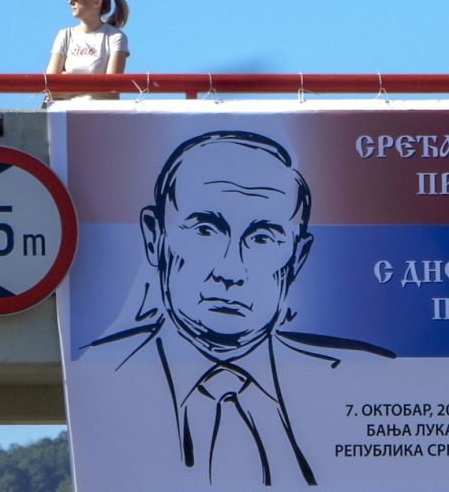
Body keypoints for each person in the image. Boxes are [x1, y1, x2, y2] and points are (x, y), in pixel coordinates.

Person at [87, 131, 394, 487]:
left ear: (298, 256)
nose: (230, 271)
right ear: (155, 237)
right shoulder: (96, 372)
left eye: (262, 238)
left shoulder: (375, 380)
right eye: (205, 231)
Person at [45, 0, 129, 99]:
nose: (71, 1)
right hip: (65, 111)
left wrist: (69, 81)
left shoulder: (115, 37)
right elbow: (49, 87)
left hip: (99, 111)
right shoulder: (65, 35)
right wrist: (96, 84)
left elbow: (111, 90)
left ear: (97, 2)